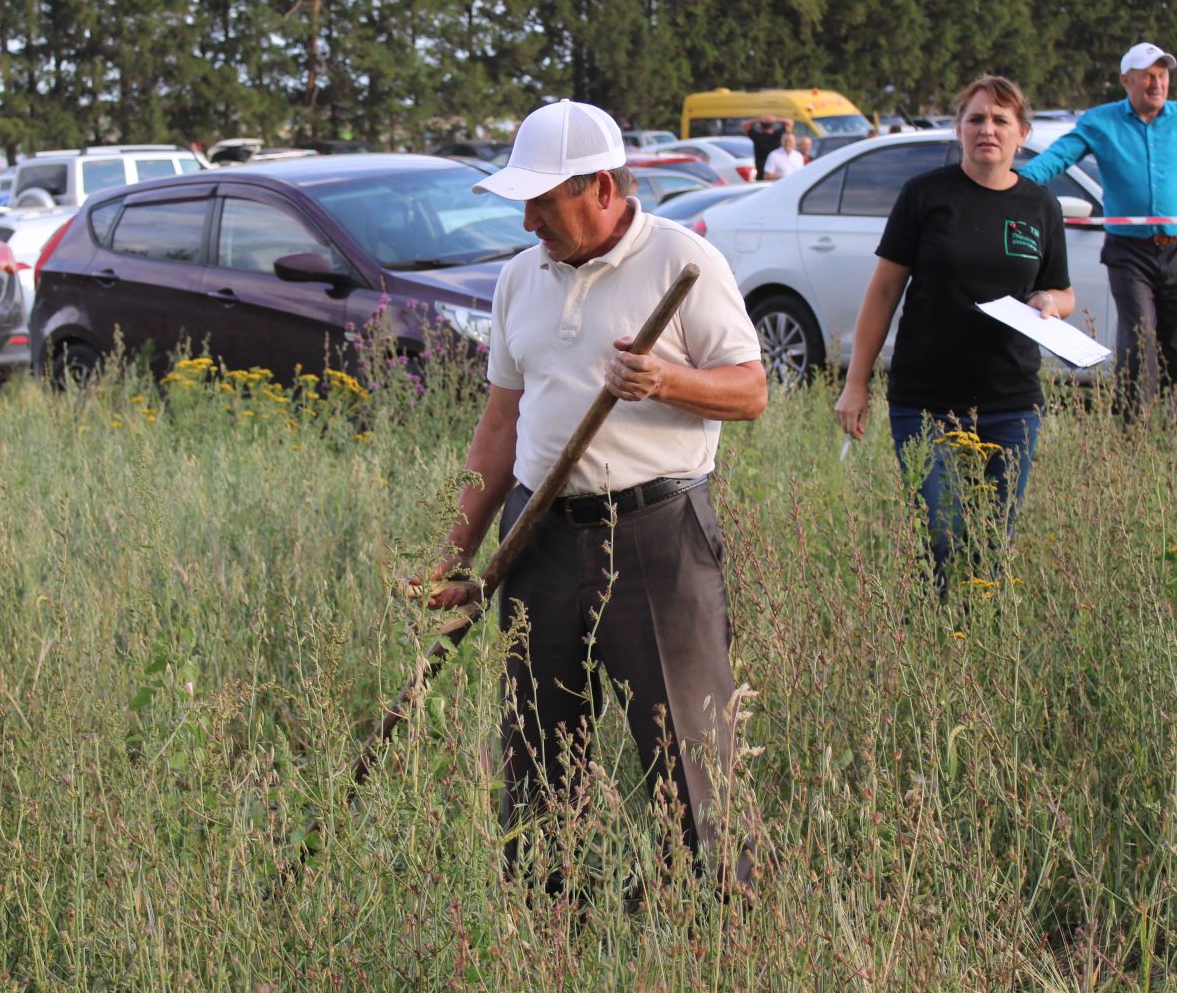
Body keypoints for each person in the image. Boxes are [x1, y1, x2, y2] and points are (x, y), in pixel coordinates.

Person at [423, 99, 767, 891]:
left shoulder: (683, 261)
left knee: (688, 754)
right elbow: (499, 428)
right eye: (525, 203)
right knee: (537, 753)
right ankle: (551, 927)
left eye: (544, 203)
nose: (529, 221)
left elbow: (750, 391)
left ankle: (719, 931)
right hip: (537, 536)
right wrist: (456, 555)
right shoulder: (520, 278)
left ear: (602, 188)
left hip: (655, 537)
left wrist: (665, 379)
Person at [834, 76, 1074, 595]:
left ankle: (978, 651)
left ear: (1022, 134)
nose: (988, 128)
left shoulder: (1040, 206)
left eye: (1000, 120)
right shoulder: (925, 195)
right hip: (926, 401)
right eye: (976, 118)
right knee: (940, 539)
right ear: (959, 129)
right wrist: (857, 384)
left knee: (992, 542)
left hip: (1012, 402)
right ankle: (934, 642)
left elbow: (1062, 291)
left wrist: (1052, 303)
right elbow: (882, 294)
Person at [1016, 42, 1177, 415]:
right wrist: (1017, 185)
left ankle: (1164, 413)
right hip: (1128, 252)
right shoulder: (1100, 122)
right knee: (1139, 339)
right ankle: (1132, 422)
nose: (1157, 83)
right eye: (1147, 76)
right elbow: (1057, 158)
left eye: (1162, 75)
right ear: (1126, 80)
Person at [742, 115, 790, 183]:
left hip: (761, 172)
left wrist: (758, 119)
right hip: (775, 175)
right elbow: (789, 123)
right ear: (773, 126)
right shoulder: (777, 136)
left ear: (761, 127)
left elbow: (745, 125)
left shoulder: (757, 137)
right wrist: (775, 119)